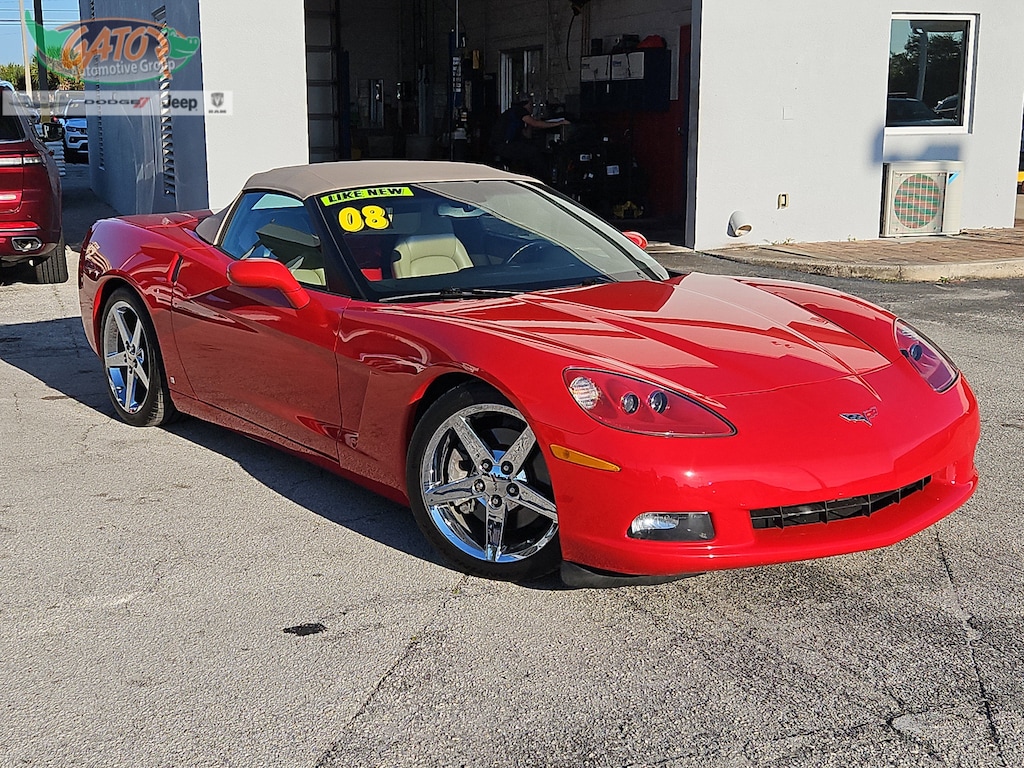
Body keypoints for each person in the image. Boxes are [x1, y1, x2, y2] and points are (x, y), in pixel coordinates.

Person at [491, 95, 569, 180]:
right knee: (533, 152)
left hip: (505, 144)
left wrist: (530, 124)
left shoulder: (516, 114)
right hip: (504, 145)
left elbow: (527, 135)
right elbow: (536, 123)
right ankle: (544, 178)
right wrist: (559, 123)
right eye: (531, 104)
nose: (532, 107)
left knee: (531, 148)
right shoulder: (519, 111)